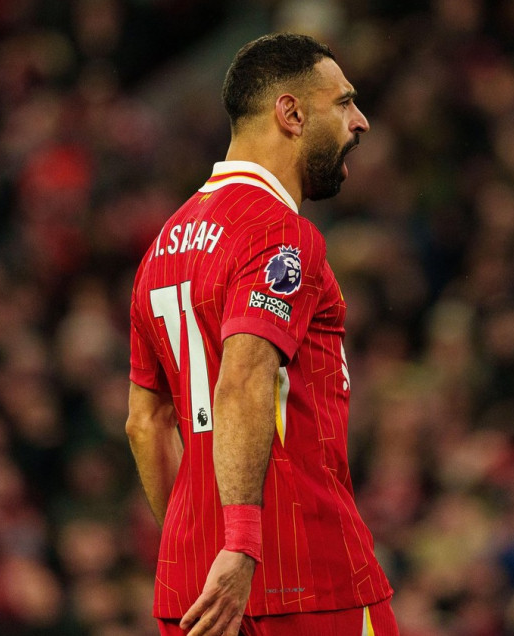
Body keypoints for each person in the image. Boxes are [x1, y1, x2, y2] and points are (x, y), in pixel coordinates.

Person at [125, 33, 396, 636]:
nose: (362, 121)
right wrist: (243, 544)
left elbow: (145, 424)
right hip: (305, 574)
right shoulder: (280, 233)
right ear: (291, 114)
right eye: (344, 103)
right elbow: (243, 378)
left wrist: (204, 549)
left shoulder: (162, 247)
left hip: (195, 587)